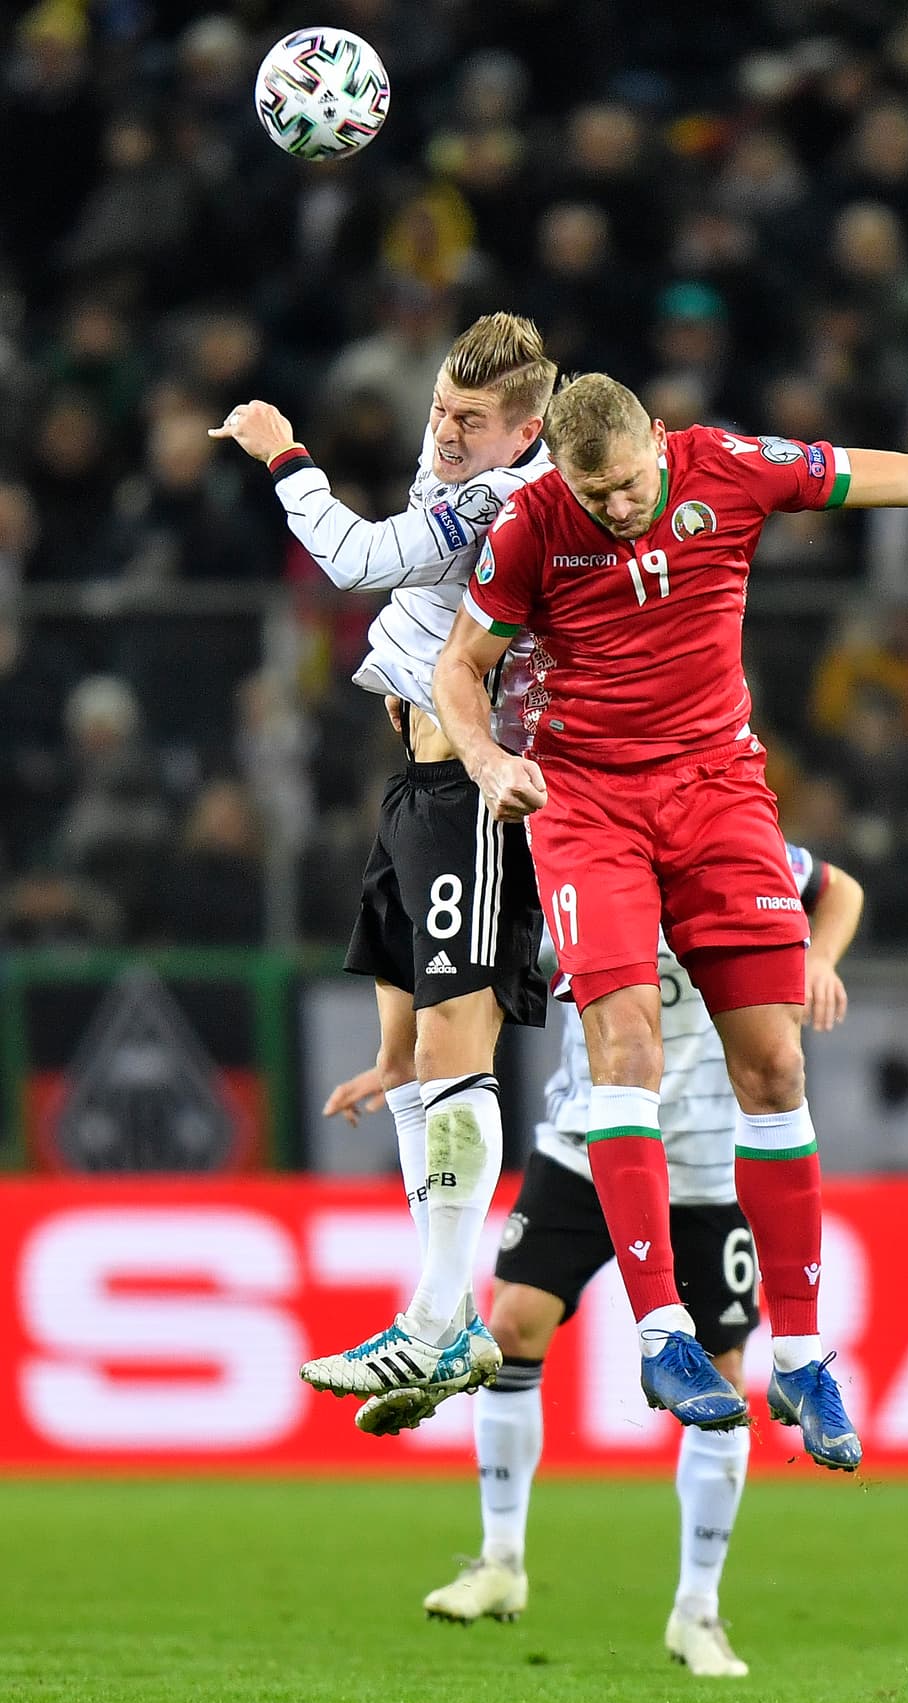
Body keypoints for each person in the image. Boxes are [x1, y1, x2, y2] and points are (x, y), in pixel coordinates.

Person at [433, 370, 908, 1471]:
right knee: (626, 1051)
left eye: (623, 485)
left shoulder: (732, 469)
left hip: (716, 791)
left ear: (657, 443)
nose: (612, 509)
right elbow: (458, 667)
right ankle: (661, 1335)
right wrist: (484, 757)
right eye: (589, 490)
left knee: (774, 1071)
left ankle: (799, 1357)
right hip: (588, 803)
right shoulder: (530, 525)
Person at [324, 844, 864, 1675]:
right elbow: (488, 978)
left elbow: (841, 890)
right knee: (510, 1322)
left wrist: (819, 960)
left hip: (708, 1165)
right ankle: (500, 1561)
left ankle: (698, 1610)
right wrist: (401, 1062)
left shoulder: (733, 850)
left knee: (719, 1380)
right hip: (585, 1144)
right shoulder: (577, 859)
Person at [209, 314, 558, 1406]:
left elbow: (356, 558)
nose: (443, 436)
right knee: (408, 1065)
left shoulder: (505, 503)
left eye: (468, 422)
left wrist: (283, 452)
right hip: (413, 780)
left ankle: (438, 1322)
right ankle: (440, 1315)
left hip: (470, 787)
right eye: (437, 411)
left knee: (457, 1053)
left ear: (526, 431)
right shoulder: (464, 460)